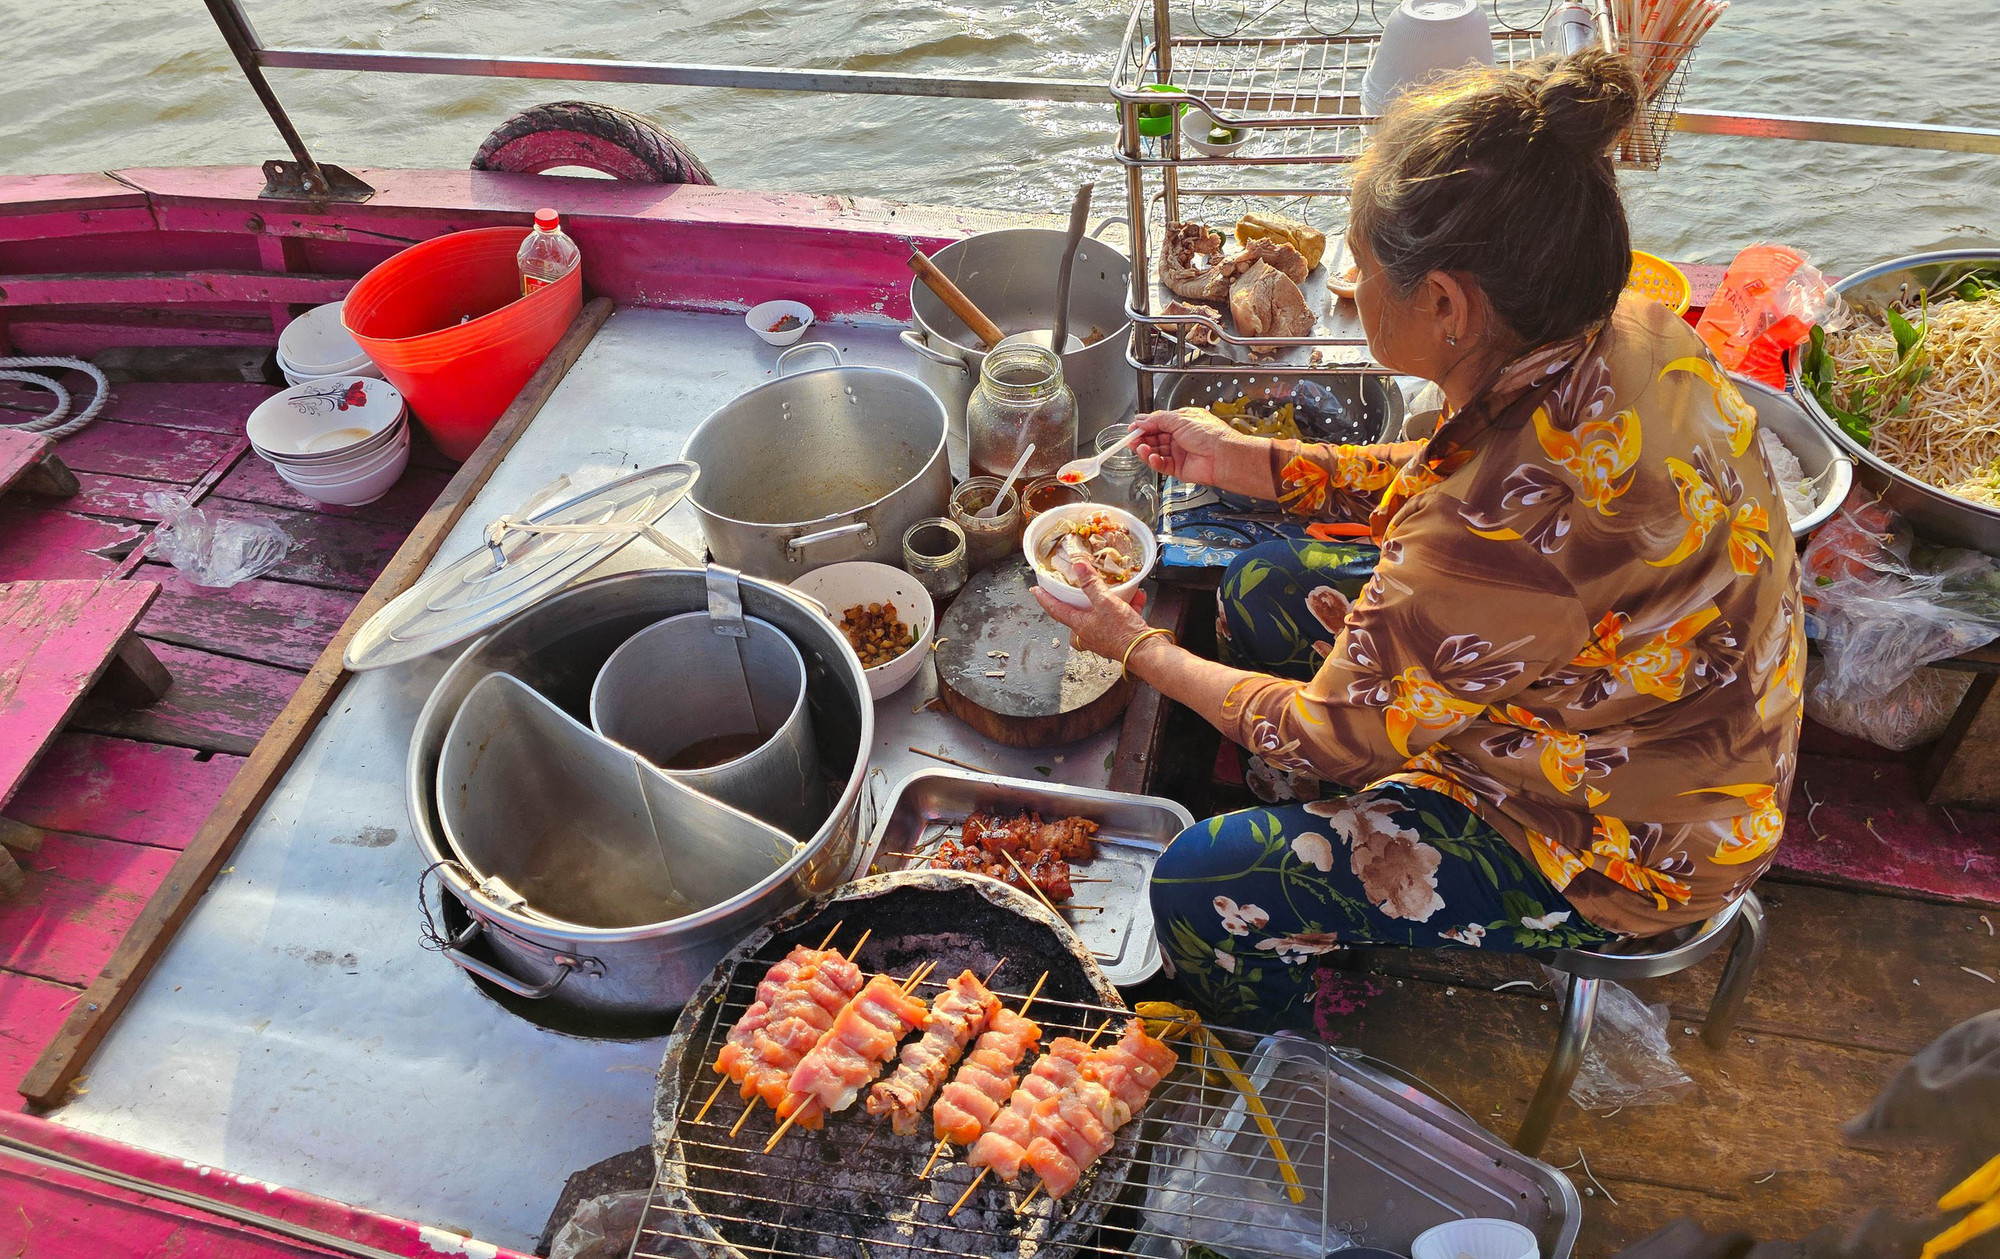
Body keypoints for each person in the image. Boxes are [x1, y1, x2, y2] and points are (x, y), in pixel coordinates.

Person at [1032, 49, 1804, 1029]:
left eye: (1361, 268)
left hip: (1621, 842)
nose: (1351, 283)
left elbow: (1325, 728)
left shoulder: (1484, 539)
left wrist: (1134, 644)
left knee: (1196, 884)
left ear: (1445, 303)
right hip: (1626, 705)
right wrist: (1249, 460)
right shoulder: (1635, 329)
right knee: (1263, 585)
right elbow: (1466, 470)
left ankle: (1294, 1025)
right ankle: (1330, 851)